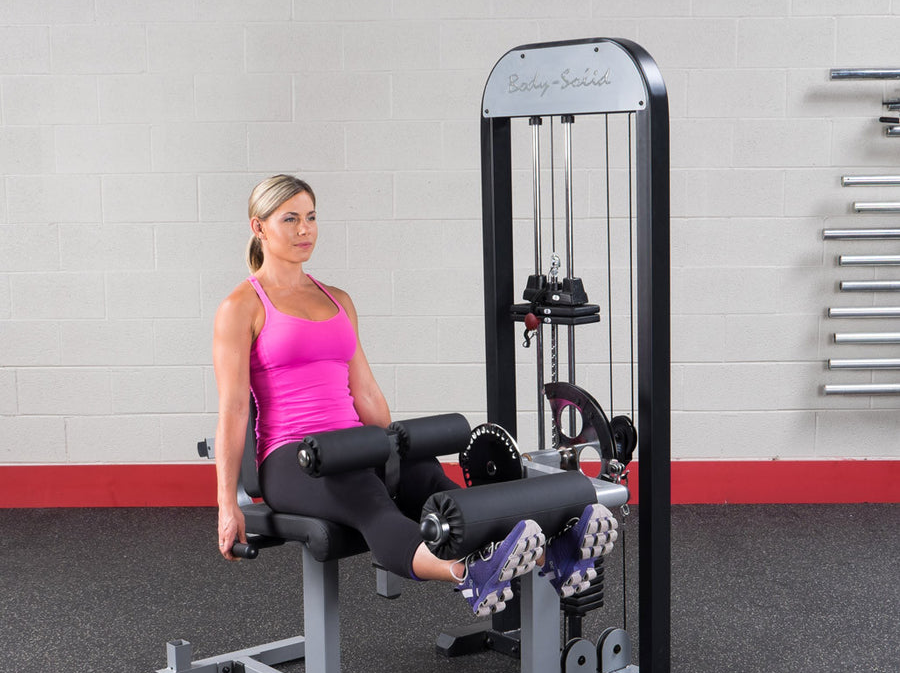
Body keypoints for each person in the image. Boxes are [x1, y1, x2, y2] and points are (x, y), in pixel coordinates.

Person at [213, 174, 615, 617]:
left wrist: (393, 451)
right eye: (290, 219)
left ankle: (554, 554)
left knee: (432, 481)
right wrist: (227, 504)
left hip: (355, 444)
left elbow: (365, 391)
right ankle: (469, 574)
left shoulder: (337, 299)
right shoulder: (242, 307)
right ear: (259, 227)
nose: (304, 229)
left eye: (311, 217)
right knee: (368, 497)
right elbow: (233, 409)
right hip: (293, 457)